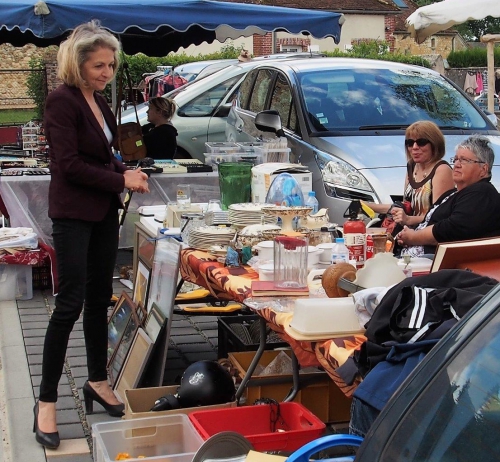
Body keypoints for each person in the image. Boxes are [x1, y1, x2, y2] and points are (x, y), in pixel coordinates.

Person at [36, 20, 149, 450]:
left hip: (101, 214)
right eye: (99, 65)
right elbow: (67, 166)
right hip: (73, 216)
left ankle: (97, 381)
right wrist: (121, 180)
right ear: (77, 63)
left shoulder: (99, 101)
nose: (106, 72)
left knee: (99, 299)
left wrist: (126, 170)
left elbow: (103, 157)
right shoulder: (61, 102)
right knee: (69, 304)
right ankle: (46, 402)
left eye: (110, 65)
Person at [397, 135, 500, 257]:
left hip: (436, 263)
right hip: (414, 256)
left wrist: (413, 237)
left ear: (483, 169)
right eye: (455, 159)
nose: (456, 164)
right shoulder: (454, 193)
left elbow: (450, 229)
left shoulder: (482, 193)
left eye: (464, 160)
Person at [364, 121, 454, 235]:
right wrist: (366, 205)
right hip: (407, 233)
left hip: (427, 236)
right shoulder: (412, 166)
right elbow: (406, 207)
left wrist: (408, 220)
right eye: (410, 143)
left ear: (434, 144)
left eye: (421, 142)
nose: (414, 147)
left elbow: (438, 217)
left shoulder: (442, 170)